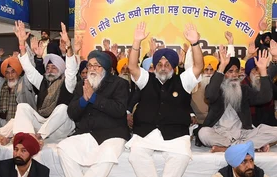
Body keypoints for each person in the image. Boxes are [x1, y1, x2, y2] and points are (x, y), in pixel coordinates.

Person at [126, 22, 203, 177]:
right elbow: (133, 67)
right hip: (146, 133)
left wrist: (195, 43)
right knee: (136, 155)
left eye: (167, 64)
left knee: (181, 156)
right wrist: (136, 41)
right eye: (159, 64)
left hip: (176, 135)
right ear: (155, 66)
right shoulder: (147, 79)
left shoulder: (183, 81)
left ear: (173, 67)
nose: (163, 67)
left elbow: (198, 66)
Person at [57, 50, 130, 177]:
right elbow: (72, 113)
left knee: (107, 155)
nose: (92, 69)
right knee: (63, 147)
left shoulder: (119, 84)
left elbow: (119, 110)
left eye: (96, 65)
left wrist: (94, 98)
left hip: (113, 135)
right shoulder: (82, 85)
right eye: (90, 65)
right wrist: (84, 100)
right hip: (88, 134)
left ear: (105, 68)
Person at [198, 47, 277, 152]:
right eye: (230, 71)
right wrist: (221, 66)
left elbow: (265, 98)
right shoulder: (216, 89)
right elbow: (209, 95)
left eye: (236, 71)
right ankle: (247, 146)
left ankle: (226, 148)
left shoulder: (244, 89)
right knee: (203, 133)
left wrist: (263, 71)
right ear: (223, 74)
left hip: (243, 133)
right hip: (220, 133)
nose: (234, 75)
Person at [12, 21, 78, 144]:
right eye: (48, 68)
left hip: (60, 130)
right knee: (22, 106)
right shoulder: (42, 81)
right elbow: (29, 70)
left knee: (63, 108)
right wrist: (22, 44)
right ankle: (23, 140)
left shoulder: (68, 83)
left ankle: (37, 139)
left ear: (61, 70)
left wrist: (69, 45)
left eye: (54, 68)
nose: (50, 70)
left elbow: (72, 70)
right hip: (43, 124)